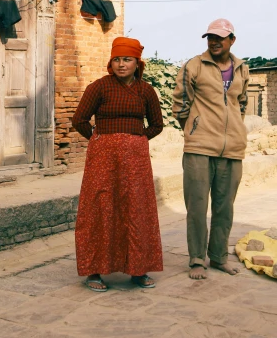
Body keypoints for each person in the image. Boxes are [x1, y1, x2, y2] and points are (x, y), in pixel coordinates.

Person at [72, 36, 164, 292]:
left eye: (127, 59)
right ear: (110, 62)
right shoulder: (99, 88)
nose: (121, 64)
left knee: (136, 208)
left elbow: (157, 124)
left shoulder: (146, 91)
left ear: (137, 63)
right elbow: (79, 119)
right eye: (116, 60)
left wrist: (137, 139)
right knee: (100, 207)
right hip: (103, 159)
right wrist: (97, 138)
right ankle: (94, 271)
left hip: (136, 160)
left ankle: (138, 269)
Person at [172, 19, 250, 280]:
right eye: (210, 37)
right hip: (199, 147)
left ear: (232, 40)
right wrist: (194, 128)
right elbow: (180, 103)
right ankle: (196, 259)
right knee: (196, 206)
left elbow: (241, 103)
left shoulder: (242, 69)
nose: (214, 42)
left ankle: (218, 257)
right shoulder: (194, 65)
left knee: (225, 206)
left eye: (220, 37)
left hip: (232, 149)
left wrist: (235, 130)